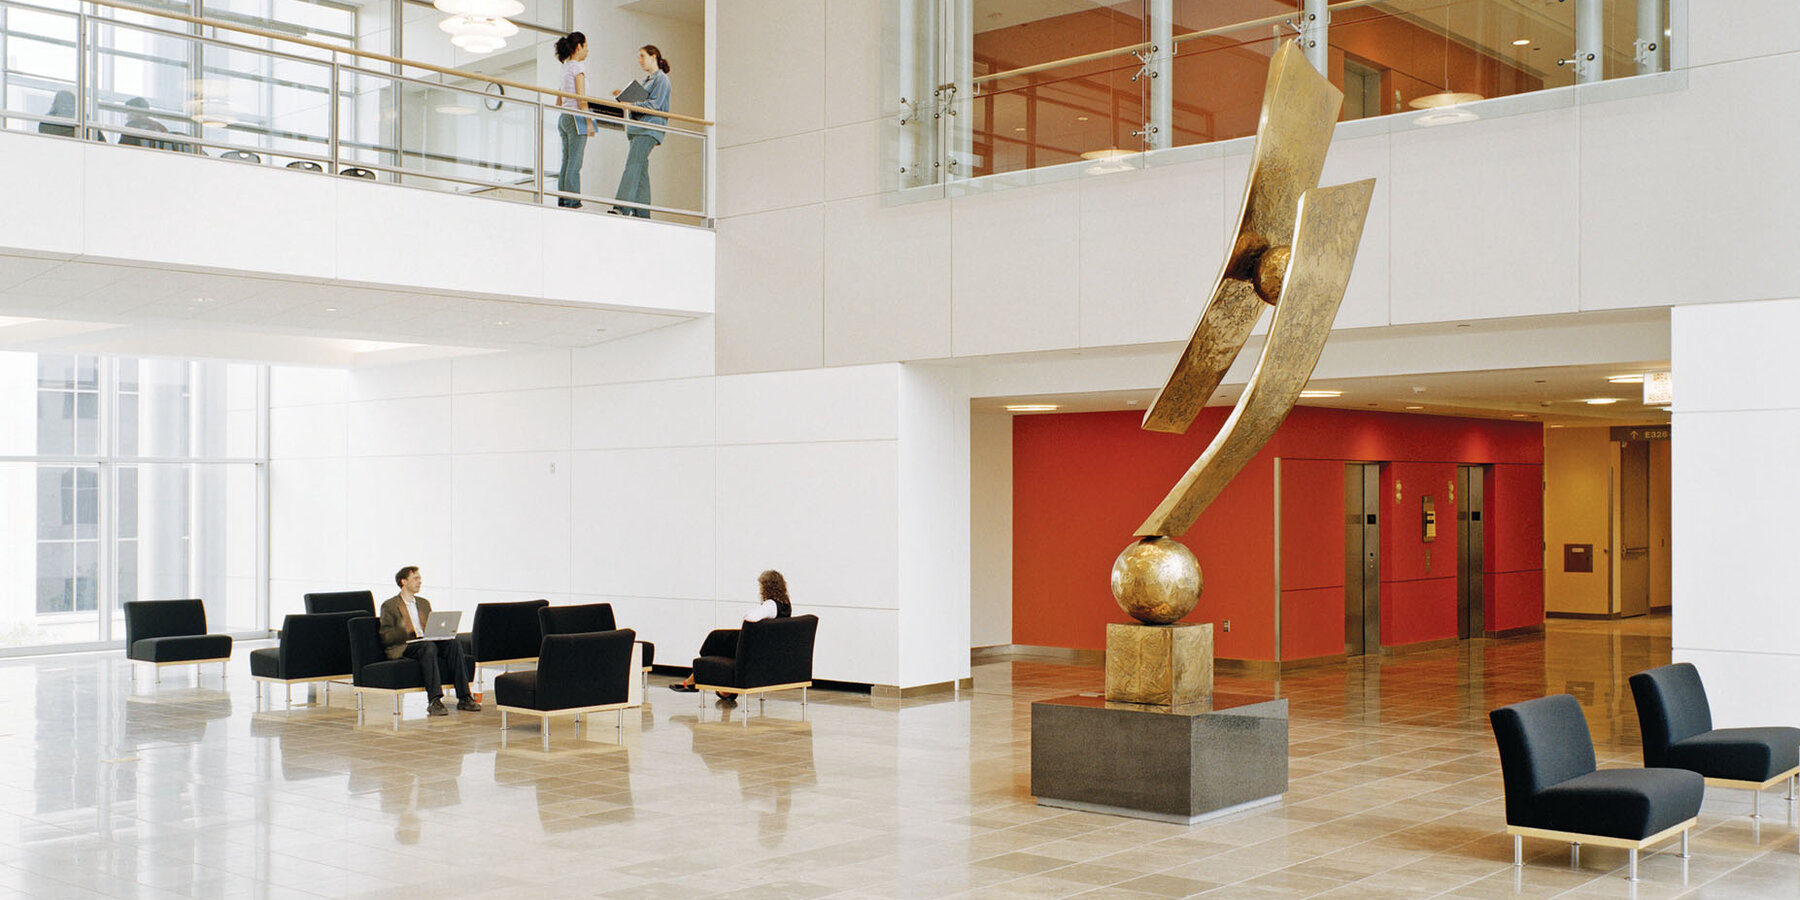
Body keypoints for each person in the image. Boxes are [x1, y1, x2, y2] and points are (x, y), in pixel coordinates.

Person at [669, 569, 791, 695]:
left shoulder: (770, 605)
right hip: (767, 645)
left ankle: (694, 680)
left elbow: (750, 618)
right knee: (722, 643)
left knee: (715, 638)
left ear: (766, 587)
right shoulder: (786, 604)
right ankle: (723, 690)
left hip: (755, 646)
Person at [378, 566, 480, 716]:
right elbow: (386, 635)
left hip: (426, 642)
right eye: (415, 578)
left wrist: (438, 633)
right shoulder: (390, 605)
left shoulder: (424, 603)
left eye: (420, 578)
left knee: (453, 642)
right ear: (403, 581)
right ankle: (434, 700)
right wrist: (407, 632)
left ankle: (464, 697)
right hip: (405, 645)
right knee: (428, 646)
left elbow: (431, 627)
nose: (420, 581)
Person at [610, 44, 671, 218]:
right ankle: (642, 213)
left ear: (654, 57)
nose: (639, 60)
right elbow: (642, 101)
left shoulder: (662, 79)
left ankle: (621, 207)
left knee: (632, 166)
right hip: (639, 128)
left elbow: (654, 105)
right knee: (640, 169)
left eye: (642, 56)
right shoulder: (648, 80)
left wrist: (631, 104)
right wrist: (624, 96)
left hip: (648, 129)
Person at [553, 31, 590, 208]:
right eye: (586, 46)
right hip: (577, 117)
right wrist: (590, 122)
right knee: (575, 162)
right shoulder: (578, 68)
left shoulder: (564, 68)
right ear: (578, 47)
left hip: (564, 118)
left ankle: (563, 200)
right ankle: (573, 202)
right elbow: (582, 98)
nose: (587, 51)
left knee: (566, 161)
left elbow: (558, 100)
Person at [117, 97, 185, 153]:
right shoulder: (161, 128)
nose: (127, 118)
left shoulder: (132, 126)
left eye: (129, 113)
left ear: (136, 112)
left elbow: (123, 149)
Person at [38, 91, 104, 141]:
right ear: (57, 105)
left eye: (70, 105)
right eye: (64, 104)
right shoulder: (48, 123)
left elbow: (100, 142)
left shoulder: (84, 122)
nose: (67, 107)